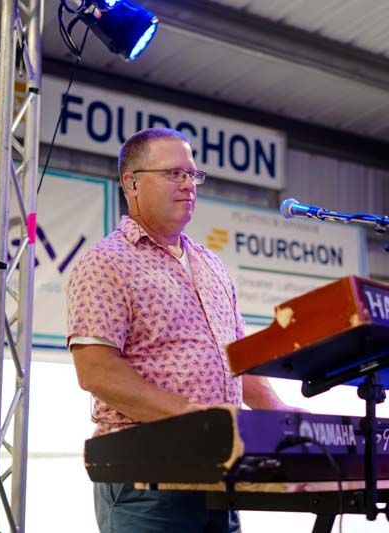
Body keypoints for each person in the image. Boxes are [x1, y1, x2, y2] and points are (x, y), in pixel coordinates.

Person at [66, 127, 294, 533]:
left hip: (218, 469)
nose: (189, 184)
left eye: (192, 174)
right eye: (174, 173)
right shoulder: (106, 263)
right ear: (131, 183)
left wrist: (290, 422)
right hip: (146, 477)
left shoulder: (211, 264)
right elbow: (97, 372)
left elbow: (239, 362)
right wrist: (193, 420)